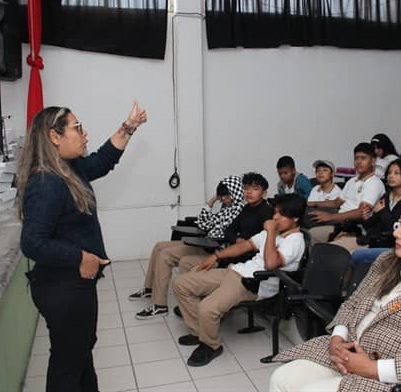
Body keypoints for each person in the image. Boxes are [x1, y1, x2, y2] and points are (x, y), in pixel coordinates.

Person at [269, 197, 401, 392]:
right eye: (399, 223)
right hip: (347, 351)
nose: (396, 232)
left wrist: (372, 368)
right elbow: (353, 304)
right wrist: (338, 338)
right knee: (281, 379)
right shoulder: (386, 262)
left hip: (389, 376)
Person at [18, 103, 147, 392]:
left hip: (74, 285)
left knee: (79, 355)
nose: (84, 134)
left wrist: (129, 126)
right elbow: (32, 242)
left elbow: (102, 161)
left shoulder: (67, 169)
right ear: (54, 136)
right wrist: (80, 257)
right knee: (68, 366)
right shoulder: (47, 182)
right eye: (77, 128)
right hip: (64, 289)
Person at [171, 194, 307, 366]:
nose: (275, 217)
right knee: (181, 283)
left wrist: (271, 231)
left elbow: (271, 263)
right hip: (236, 271)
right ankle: (200, 332)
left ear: (295, 218)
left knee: (207, 307)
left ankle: (211, 346)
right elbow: (245, 246)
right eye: (275, 213)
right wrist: (216, 256)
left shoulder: (295, 241)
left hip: (252, 283)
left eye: (281, 214)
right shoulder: (274, 233)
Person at [131, 175, 244, 318]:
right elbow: (203, 224)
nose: (222, 200)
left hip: (212, 249)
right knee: (159, 246)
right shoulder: (227, 208)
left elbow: (222, 234)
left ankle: (160, 305)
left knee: (165, 256)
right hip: (205, 243)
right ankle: (149, 288)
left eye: (224, 196)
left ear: (235, 193)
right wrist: (211, 202)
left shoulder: (238, 210)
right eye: (220, 197)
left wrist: (211, 228)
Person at [309, 143, 385, 252]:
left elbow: (362, 212)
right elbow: (336, 202)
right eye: (356, 158)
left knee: (328, 243)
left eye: (363, 158)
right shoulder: (352, 181)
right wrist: (312, 204)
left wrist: (331, 217)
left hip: (356, 226)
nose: (358, 162)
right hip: (339, 221)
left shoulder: (374, 183)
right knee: (311, 230)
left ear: (372, 161)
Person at [351, 158, 401, 265]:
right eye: (389, 173)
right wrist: (368, 217)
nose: (391, 176)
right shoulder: (386, 196)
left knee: (352, 255)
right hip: (372, 239)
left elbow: (396, 229)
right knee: (337, 248)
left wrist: (382, 212)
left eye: (396, 173)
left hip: (393, 246)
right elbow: (372, 225)